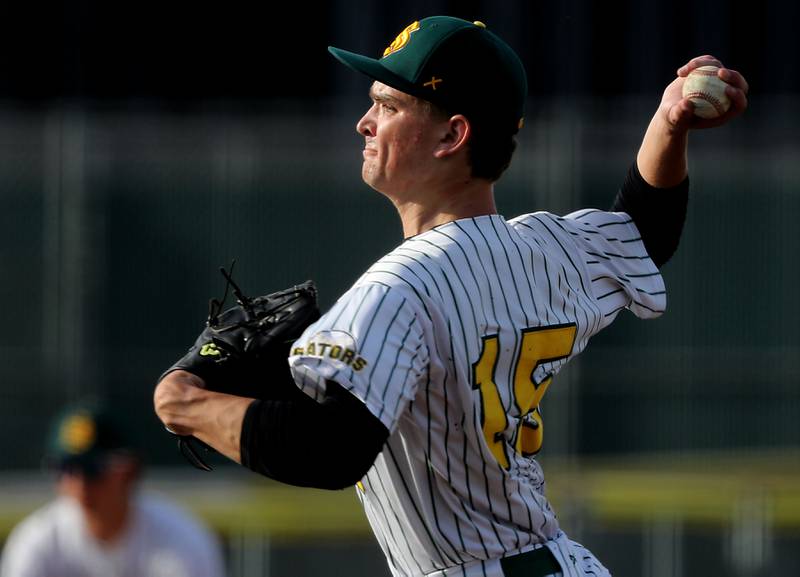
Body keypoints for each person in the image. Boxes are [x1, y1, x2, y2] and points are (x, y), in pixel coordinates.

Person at [154, 15, 748, 577]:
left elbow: (330, 449)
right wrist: (668, 125)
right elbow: (645, 230)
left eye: (387, 105)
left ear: (452, 135)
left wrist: (182, 402)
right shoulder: (543, 249)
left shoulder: (398, 288)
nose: (365, 122)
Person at [1, 402, 226, 577]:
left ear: (129, 471)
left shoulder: (179, 536)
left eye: (93, 469)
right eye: (66, 468)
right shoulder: (37, 540)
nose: (79, 483)